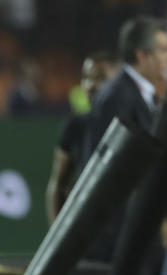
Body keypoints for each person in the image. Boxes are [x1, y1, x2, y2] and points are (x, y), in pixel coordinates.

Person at [82, 16, 167, 263]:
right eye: (164, 50)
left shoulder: (142, 95)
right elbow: (114, 171)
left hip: (139, 231)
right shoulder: (117, 97)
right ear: (143, 55)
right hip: (121, 237)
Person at [45, 51, 118, 225]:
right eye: (86, 77)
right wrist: (57, 239)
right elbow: (58, 184)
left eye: (100, 77)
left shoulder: (135, 121)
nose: (90, 85)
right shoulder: (76, 125)